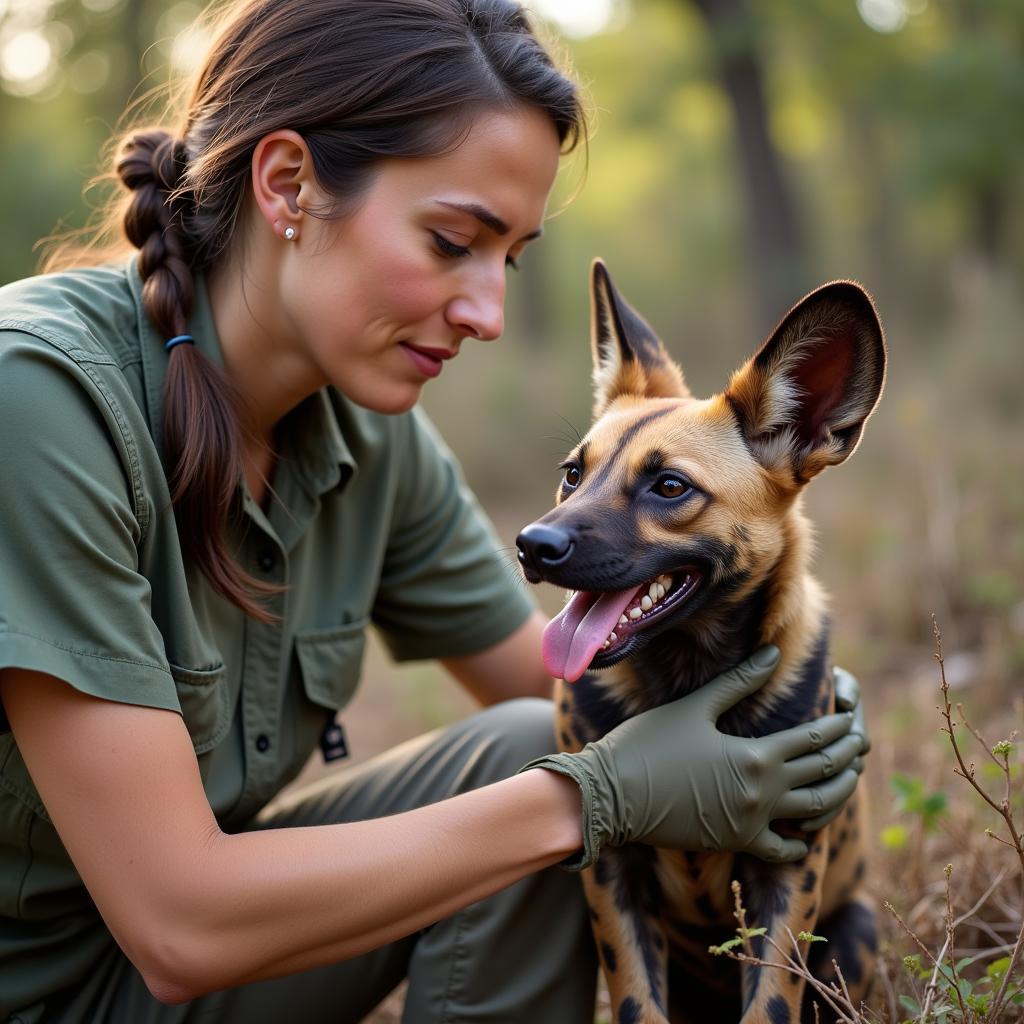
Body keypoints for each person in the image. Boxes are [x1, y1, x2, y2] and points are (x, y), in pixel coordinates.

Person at [0, 1, 868, 1021]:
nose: (488, 314)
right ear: (288, 185)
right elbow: (179, 924)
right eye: (452, 241)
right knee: (546, 792)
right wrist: (599, 798)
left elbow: (558, 686)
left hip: (181, 973)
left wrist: (781, 707)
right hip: (74, 980)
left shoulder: (367, 428)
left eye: (509, 258)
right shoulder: (38, 402)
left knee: (520, 748)